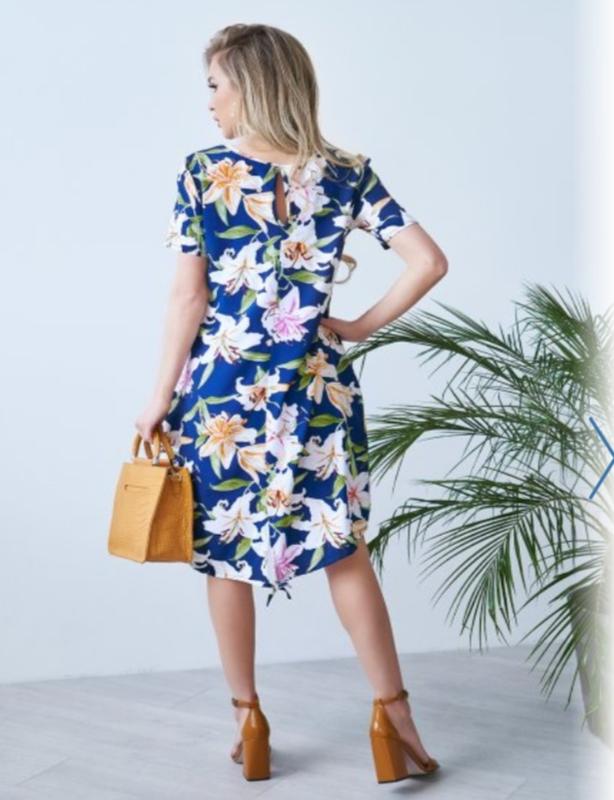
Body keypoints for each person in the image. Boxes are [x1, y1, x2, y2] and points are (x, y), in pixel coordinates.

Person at [135, 22, 447, 783]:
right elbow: (429, 262)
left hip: (223, 392)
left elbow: (188, 298)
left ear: (249, 86)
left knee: (225, 556)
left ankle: (249, 721)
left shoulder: (204, 173)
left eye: (216, 85)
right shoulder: (348, 174)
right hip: (315, 389)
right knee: (344, 550)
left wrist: (157, 398)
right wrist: (354, 326)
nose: (209, 101)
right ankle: (394, 717)